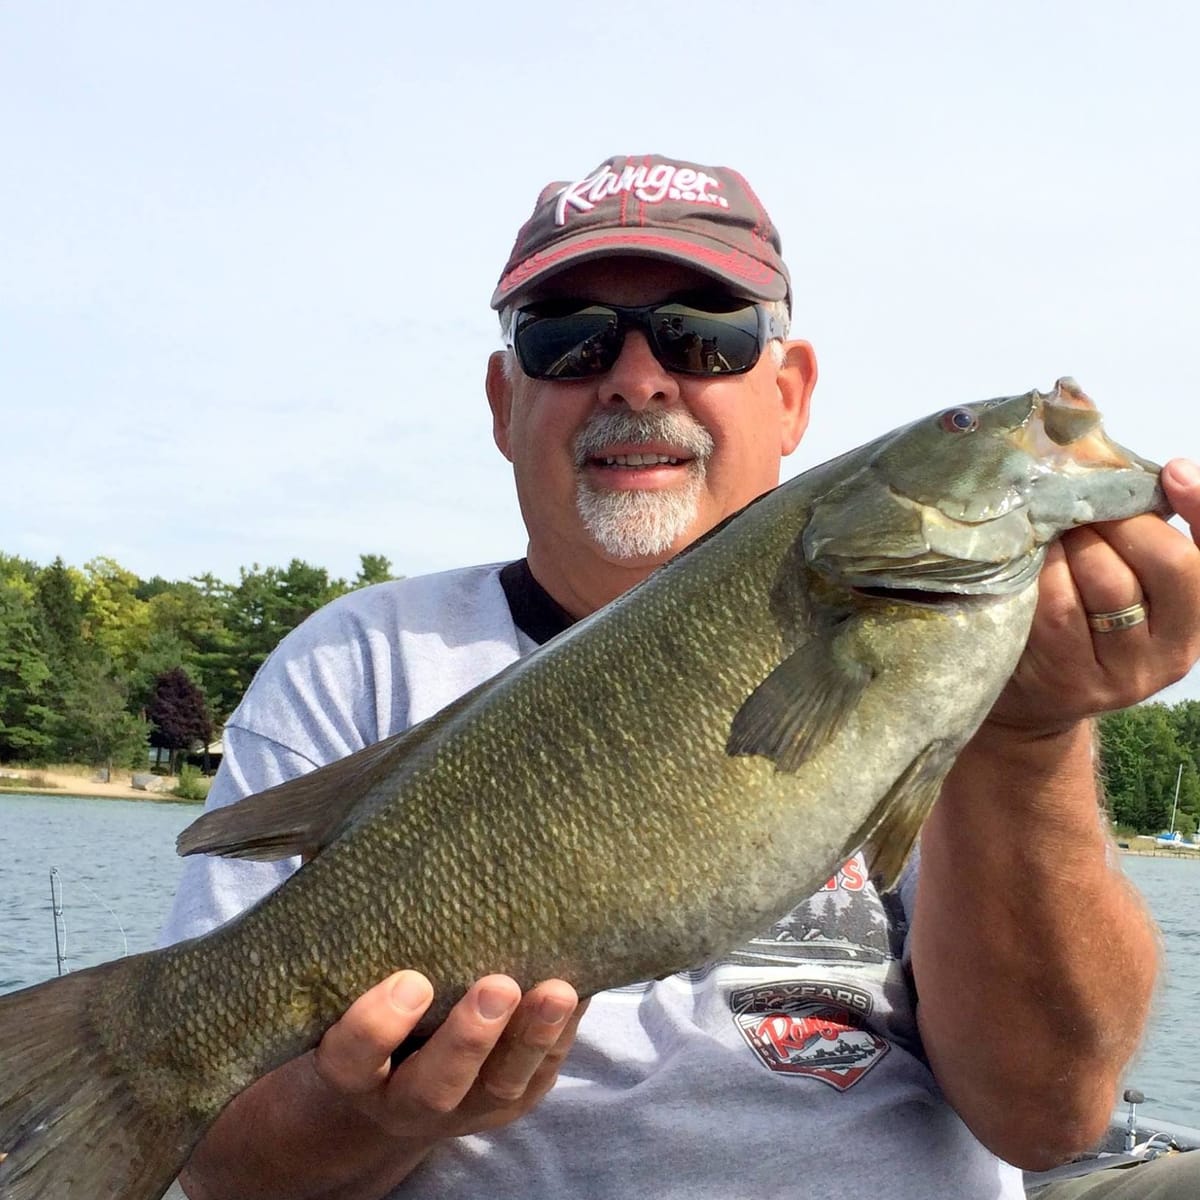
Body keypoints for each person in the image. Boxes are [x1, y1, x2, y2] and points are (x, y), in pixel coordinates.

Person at [162, 154, 1200, 1200]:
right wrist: (362, 1116)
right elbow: (226, 1169)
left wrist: (1027, 745)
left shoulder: (967, 657)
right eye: (566, 340)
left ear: (790, 395)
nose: (637, 379)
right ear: (501, 400)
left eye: (705, 334)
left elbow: (1048, 1116)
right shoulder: (356, 663)